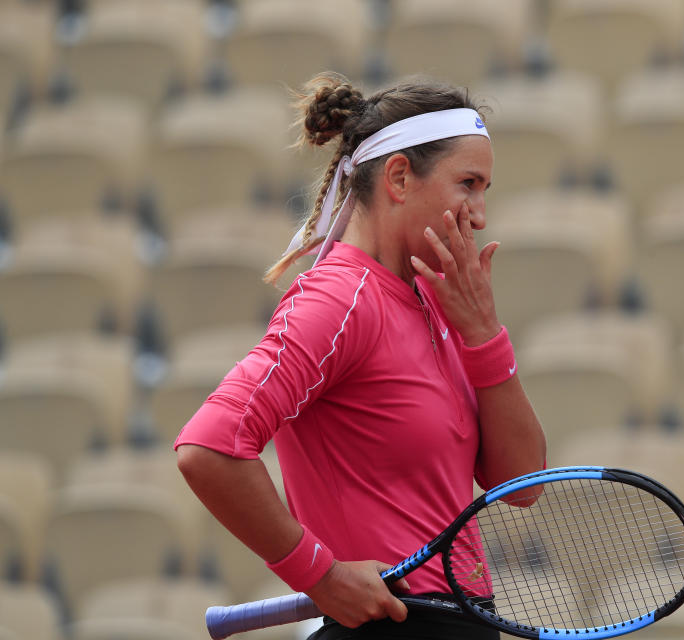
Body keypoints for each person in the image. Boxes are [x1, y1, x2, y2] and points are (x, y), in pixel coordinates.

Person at [174, 72, 547, 640]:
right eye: (468, 183)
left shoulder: (438, 302)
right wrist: (318, 574)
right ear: (399, 177)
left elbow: (522, 485)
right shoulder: (337, 299)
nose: (480, 213)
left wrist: (485, 334)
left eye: (484, 190)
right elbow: (209, 447)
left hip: (461, 621)